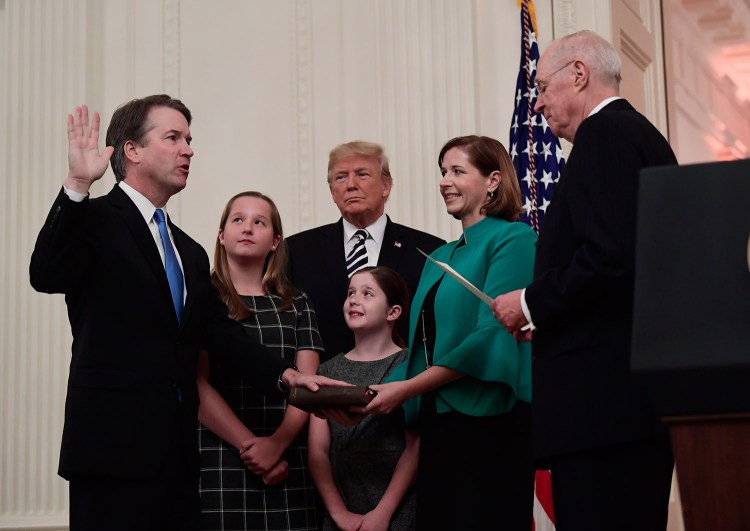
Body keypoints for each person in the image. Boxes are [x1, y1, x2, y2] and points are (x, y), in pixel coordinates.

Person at [29, 96, 341, 531]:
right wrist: (77, 185)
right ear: (132, 151)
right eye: (173, 137)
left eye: (189, 139)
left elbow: (221, 335)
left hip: (179, 455)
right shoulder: (94, 219)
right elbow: (45, 273)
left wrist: (289, 378)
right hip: (111, 448)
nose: (188, 149)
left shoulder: (189, 251)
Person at [491, 30, 677, 531]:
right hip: (624, 406)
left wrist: (530, 303)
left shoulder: (606, 135)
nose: (540, 104)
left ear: (578, 73)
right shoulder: (638, 134)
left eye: (543, 88)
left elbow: (610, 256)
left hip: (603, 413)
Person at [362, 136, 537, 530]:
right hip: (438, 426)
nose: (444, 181)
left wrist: (406, 390)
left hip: (492, 422)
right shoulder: (438, 257)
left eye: (458, 171)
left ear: (493, 180)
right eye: (443, 172)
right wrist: (357, 395)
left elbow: (491, 335)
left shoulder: (515, 239)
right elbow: (420, 349)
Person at [198, 191, 323, 530]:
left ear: (275, 241)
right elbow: (197, 384)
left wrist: (276, 446)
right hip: (220, 454)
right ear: (221, 236)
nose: (247, 228)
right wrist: (250, 448)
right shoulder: (199, 299)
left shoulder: (297, 303)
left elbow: (308, 385)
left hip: (288, 455)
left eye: (259, 222)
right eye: (237, 219)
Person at [286, 141, 444, 361]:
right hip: (321, 385)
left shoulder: (428, 250)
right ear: (332, 191)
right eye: (341, 177)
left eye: (362, 174)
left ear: (385, 186)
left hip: (403, 383)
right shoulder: (296, 250)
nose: (351, 185)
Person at [309, 266, 418, 531]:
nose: (354, 299)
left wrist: (383, 513)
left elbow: (414, 447)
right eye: (350, 293)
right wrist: (339, 514)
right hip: (342, 505)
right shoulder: (327, 371)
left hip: (396, 509)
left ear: (393, 312)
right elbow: (318, 451)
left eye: (367, 293)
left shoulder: (410, 367)